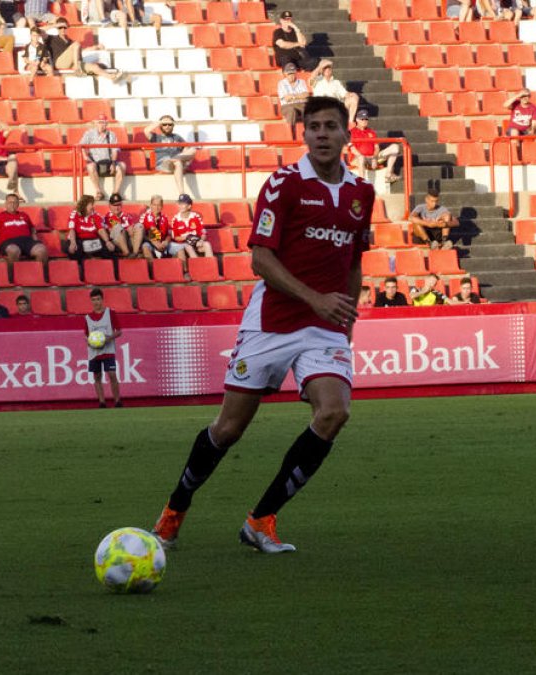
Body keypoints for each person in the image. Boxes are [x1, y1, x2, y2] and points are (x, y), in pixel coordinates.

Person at [151, 97, 374, 554]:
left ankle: (261, 520)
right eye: (314, 126)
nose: (322, 134)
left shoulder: (361, 193)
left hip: (325, 326)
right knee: (229, 429)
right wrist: (316, 299)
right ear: (304, 134)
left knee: (334, 413)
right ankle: (175, 509)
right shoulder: (283, 184)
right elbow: (260, 260)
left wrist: (346, 319)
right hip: (272, 321)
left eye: (331, 126)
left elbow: (354, 262)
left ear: (346, 134)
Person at [86, 288, 123, 407]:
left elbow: (119, 331)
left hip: (108, 350)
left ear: (102, 300)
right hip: (94, 352)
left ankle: (117, 401)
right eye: (93, 300)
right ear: (91, 301)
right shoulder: (87, 317)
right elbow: (87, 336)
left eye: (98, 299)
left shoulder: (110, 313)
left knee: (112, 374)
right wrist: (90, 342)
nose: (96, 302)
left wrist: (107, 339)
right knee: (97, 376)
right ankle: (102, 402)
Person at [144, 116, 196, 197]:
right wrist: (160, 122)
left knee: (193, 149)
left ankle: (176, 159)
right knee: (178, 162)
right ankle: (182, 194)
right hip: (163, 163)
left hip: (176, 161)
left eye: (170, 124)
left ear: (173, 126)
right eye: (165, 124)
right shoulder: (156, 137)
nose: (167, 126)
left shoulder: (177, 137)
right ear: (161, 125)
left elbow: (186, 148)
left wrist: (183, 154)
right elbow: (146, 131)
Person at [0, 192, 48, 262]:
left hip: (26, 241)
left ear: (18, 204)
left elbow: (32, 229)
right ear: (5, 204)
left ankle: (38, 269)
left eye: (15, 202)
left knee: (42, 250)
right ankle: (12, 268)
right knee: (14, 251)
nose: (12, 204)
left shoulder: (24, 215)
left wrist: (35, 241)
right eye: (10, 202)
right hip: (8, 242)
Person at [80, 115, 126, 200]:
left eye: (104, 123)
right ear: (96, 124)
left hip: (109, 162)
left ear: (106, 124)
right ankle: (99, 192)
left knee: (122, 165)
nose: (102, 125)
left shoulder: (111, 134)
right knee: (90, 167)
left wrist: (113, 163)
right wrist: (85, 156)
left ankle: (115, 193)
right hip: (96, 163)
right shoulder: (89, 133)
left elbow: (114, 150)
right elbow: (81, 146)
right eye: (100, 122)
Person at [347, 111, 400, 184]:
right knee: (361, 157)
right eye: (362, 119)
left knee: (395, 147)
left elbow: (376, 147)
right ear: (357, 120)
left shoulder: (371, 132)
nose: (364, 121)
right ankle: (362, 184)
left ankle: (388, 175)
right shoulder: (351, 132)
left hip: (372, 157)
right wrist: (364, 157)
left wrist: (374, 157)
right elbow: (352, 149)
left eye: (366, 119)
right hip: (357, 158)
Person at [167, 194, 213, 271]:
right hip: (184, 244)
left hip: (196, 241)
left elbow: (203, 232)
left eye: (183, 204)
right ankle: (200, 269)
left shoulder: (195, 216)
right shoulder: (175, 219)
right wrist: (187, 237)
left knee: (207, 244)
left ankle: (211, 269)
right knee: (188, 247)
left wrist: (201, 240)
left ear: (189, 206)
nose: (180, 206)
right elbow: (176, 237)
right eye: (179, 203)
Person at [67, 194, 115, 259]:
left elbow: (101, 229)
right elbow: (72, 230)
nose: (93, 206)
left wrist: (107, 241)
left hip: (93, 240)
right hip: (79, 240)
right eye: (91, 204)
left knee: (109, 249)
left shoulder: (95, 215)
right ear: (84, 205)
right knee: (74, 250)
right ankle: (81, 263)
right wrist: (73, 242)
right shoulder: (74, 214)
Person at [100, 193, 142, 258]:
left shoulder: (127, 216)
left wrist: (131, 229)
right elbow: (109, 232)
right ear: (110, 205)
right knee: (118, 227)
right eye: (114, 205)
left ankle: (135, 253)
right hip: (116, 243)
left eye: (118, 205)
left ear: (121, 204)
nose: (116, 208)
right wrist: (125, 229)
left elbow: (132, 231)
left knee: (139, 226)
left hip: (129, 241)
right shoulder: (106, 218)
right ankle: (127, 253)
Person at [277, 62, 310, 130]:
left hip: (301, 104)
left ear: (295, 73)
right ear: (285, 74)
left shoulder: (302, 82)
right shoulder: (281, 83)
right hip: (287, 106)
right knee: (291, 110)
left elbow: (306, 95)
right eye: (289, 74)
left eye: (292, 73)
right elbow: (287, 98)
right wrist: (299, 96)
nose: (291, 76)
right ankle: (290, 131)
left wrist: (293, 96)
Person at [138, 194, 171, 259]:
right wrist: (155, 243)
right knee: (146, 247)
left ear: (162, 206)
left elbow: (169, 234)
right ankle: (153, 265)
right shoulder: (145, 216)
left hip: (163, 243)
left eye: (159, 205)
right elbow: (145, 232)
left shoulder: (165, 217)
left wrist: (166, 242)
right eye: (154, 205)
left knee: (180, 249)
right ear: (150, 205)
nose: (156, 207)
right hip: (149, 242)